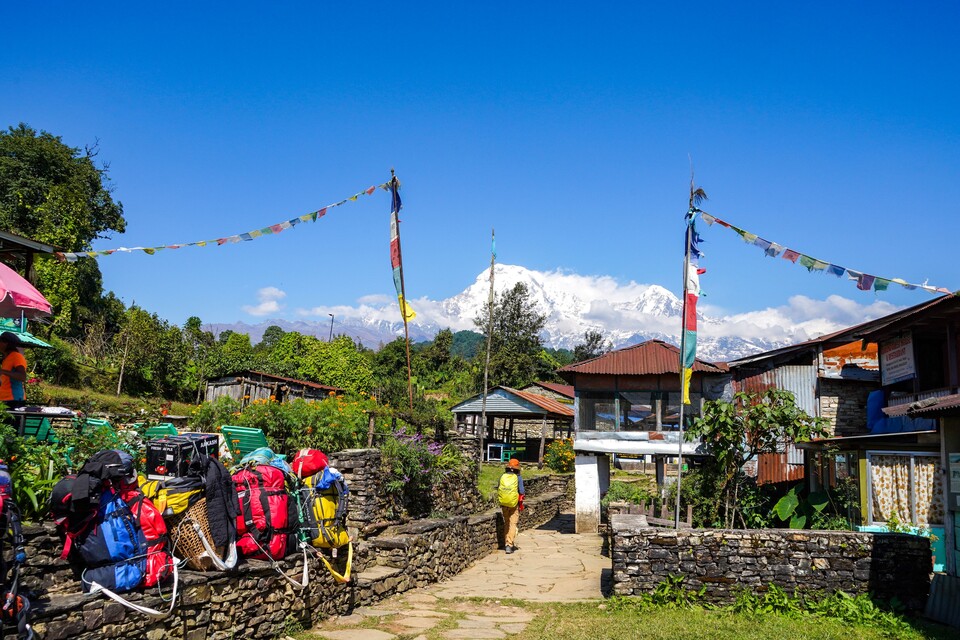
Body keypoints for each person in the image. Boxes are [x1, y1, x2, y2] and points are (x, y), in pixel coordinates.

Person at [497, 458, 525, 554]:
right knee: (513, 524)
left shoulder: (502, 476)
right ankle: (509, 545)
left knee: (507, 523)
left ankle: (506, 543)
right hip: (514, 504)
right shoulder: (518, 478)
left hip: (504, 503)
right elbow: (522, 491)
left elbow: (498, 488)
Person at [0, 332, 27, 410]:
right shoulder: (6, 358)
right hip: (4, 399)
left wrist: (3, 371)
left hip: (14, 399)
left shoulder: (16, 356)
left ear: (6, 343)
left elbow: (22, 376)